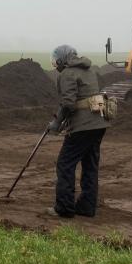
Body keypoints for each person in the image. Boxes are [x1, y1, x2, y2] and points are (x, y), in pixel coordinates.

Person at [47, 44, 109, 218]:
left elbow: (68, 103)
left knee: (65, 164)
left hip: (83, 127)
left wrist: (56, 124)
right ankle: (87, 206)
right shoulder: (88, 70)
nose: (55, 63)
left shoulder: (67, 74)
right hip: (99, 124)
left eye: (55, 58)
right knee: (90, 165)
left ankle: (64, 208)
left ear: (62, 59)